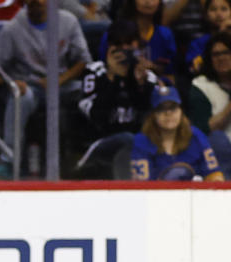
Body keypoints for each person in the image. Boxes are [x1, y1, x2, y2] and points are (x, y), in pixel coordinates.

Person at [0, 0, 93, 178]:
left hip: (62, 83)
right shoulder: (13, 28)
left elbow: (84, 60)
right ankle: (8, 160)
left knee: (90, 90)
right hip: (32, 86)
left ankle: (87, 156)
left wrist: (59, 80)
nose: (39, 2)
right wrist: (12, 83)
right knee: (21, 96)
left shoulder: (68, 21)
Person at [75, 20, 158, 178]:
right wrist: (112, 78)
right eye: (118, 45)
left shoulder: (146, 77)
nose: (124, 50)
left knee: (138, 141)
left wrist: (140, 84)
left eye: (129, 44)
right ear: (110, 47)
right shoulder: (94, 72)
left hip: (137, 149)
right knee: (127, 138)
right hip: (100, 143)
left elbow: (146, 118)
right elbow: (97, 118)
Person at [130, 82, 225, 178]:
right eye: (161, 109)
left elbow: (214, 175)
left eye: (173, 108)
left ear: (181, 111)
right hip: (158, 192)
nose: (168, 113)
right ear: (153, 115)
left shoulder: (196, 136)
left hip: (194, 191)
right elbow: (142, 185)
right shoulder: (141, 141)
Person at [98, 0, 178, 81]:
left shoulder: (165, 34)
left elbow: (170, 75)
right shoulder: (114, 34)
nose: (148, 2)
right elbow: (102, 69)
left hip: (155, 87)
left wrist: (153, 68)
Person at [187, 31, 231, 174]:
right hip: (219, 152)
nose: (222, 58)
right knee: (217, 139)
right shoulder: (201, 85)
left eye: (226, 52)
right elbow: (205, 129)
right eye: (216, 54)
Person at [185, 0, 231, 74]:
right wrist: (221, 33)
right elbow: (195, 68)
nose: (218, 14)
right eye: (213, 9)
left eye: (224, 9)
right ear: (206, 15)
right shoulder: (198, 44)